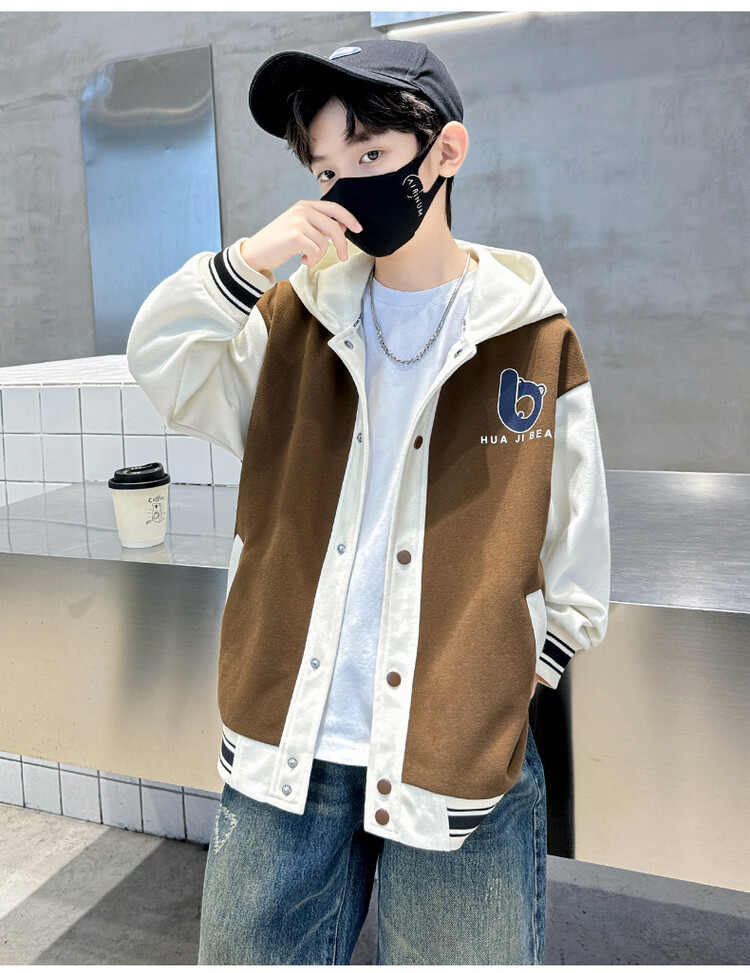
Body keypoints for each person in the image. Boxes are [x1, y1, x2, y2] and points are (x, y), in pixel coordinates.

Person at [126, 38, 611, 965]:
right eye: (325, 169)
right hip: (286, 750)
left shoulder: (532, 337)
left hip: (457, 761)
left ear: (445, 152)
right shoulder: (292, 323)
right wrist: (254, 258)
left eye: (371, 154)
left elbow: (575, 539)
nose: (345, 186)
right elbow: (161, 358)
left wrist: (515, 674)